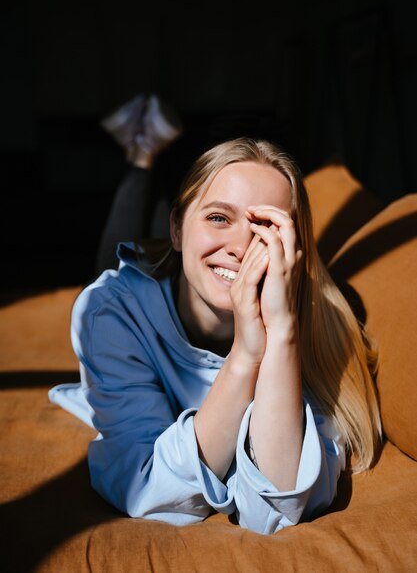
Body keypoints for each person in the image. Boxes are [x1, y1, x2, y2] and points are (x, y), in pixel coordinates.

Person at [49, 96, 382, 535]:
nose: (241, 247)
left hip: (189, 264)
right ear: (178, 227)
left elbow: (279, 505)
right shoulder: (114, 309)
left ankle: (144, 146)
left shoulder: (320, 328)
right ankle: (143, 158)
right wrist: (245, 355)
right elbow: (146, 486)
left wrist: (277, 336)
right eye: (219, 217)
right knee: (111, 263)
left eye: (265, 228)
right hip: (148, 275)